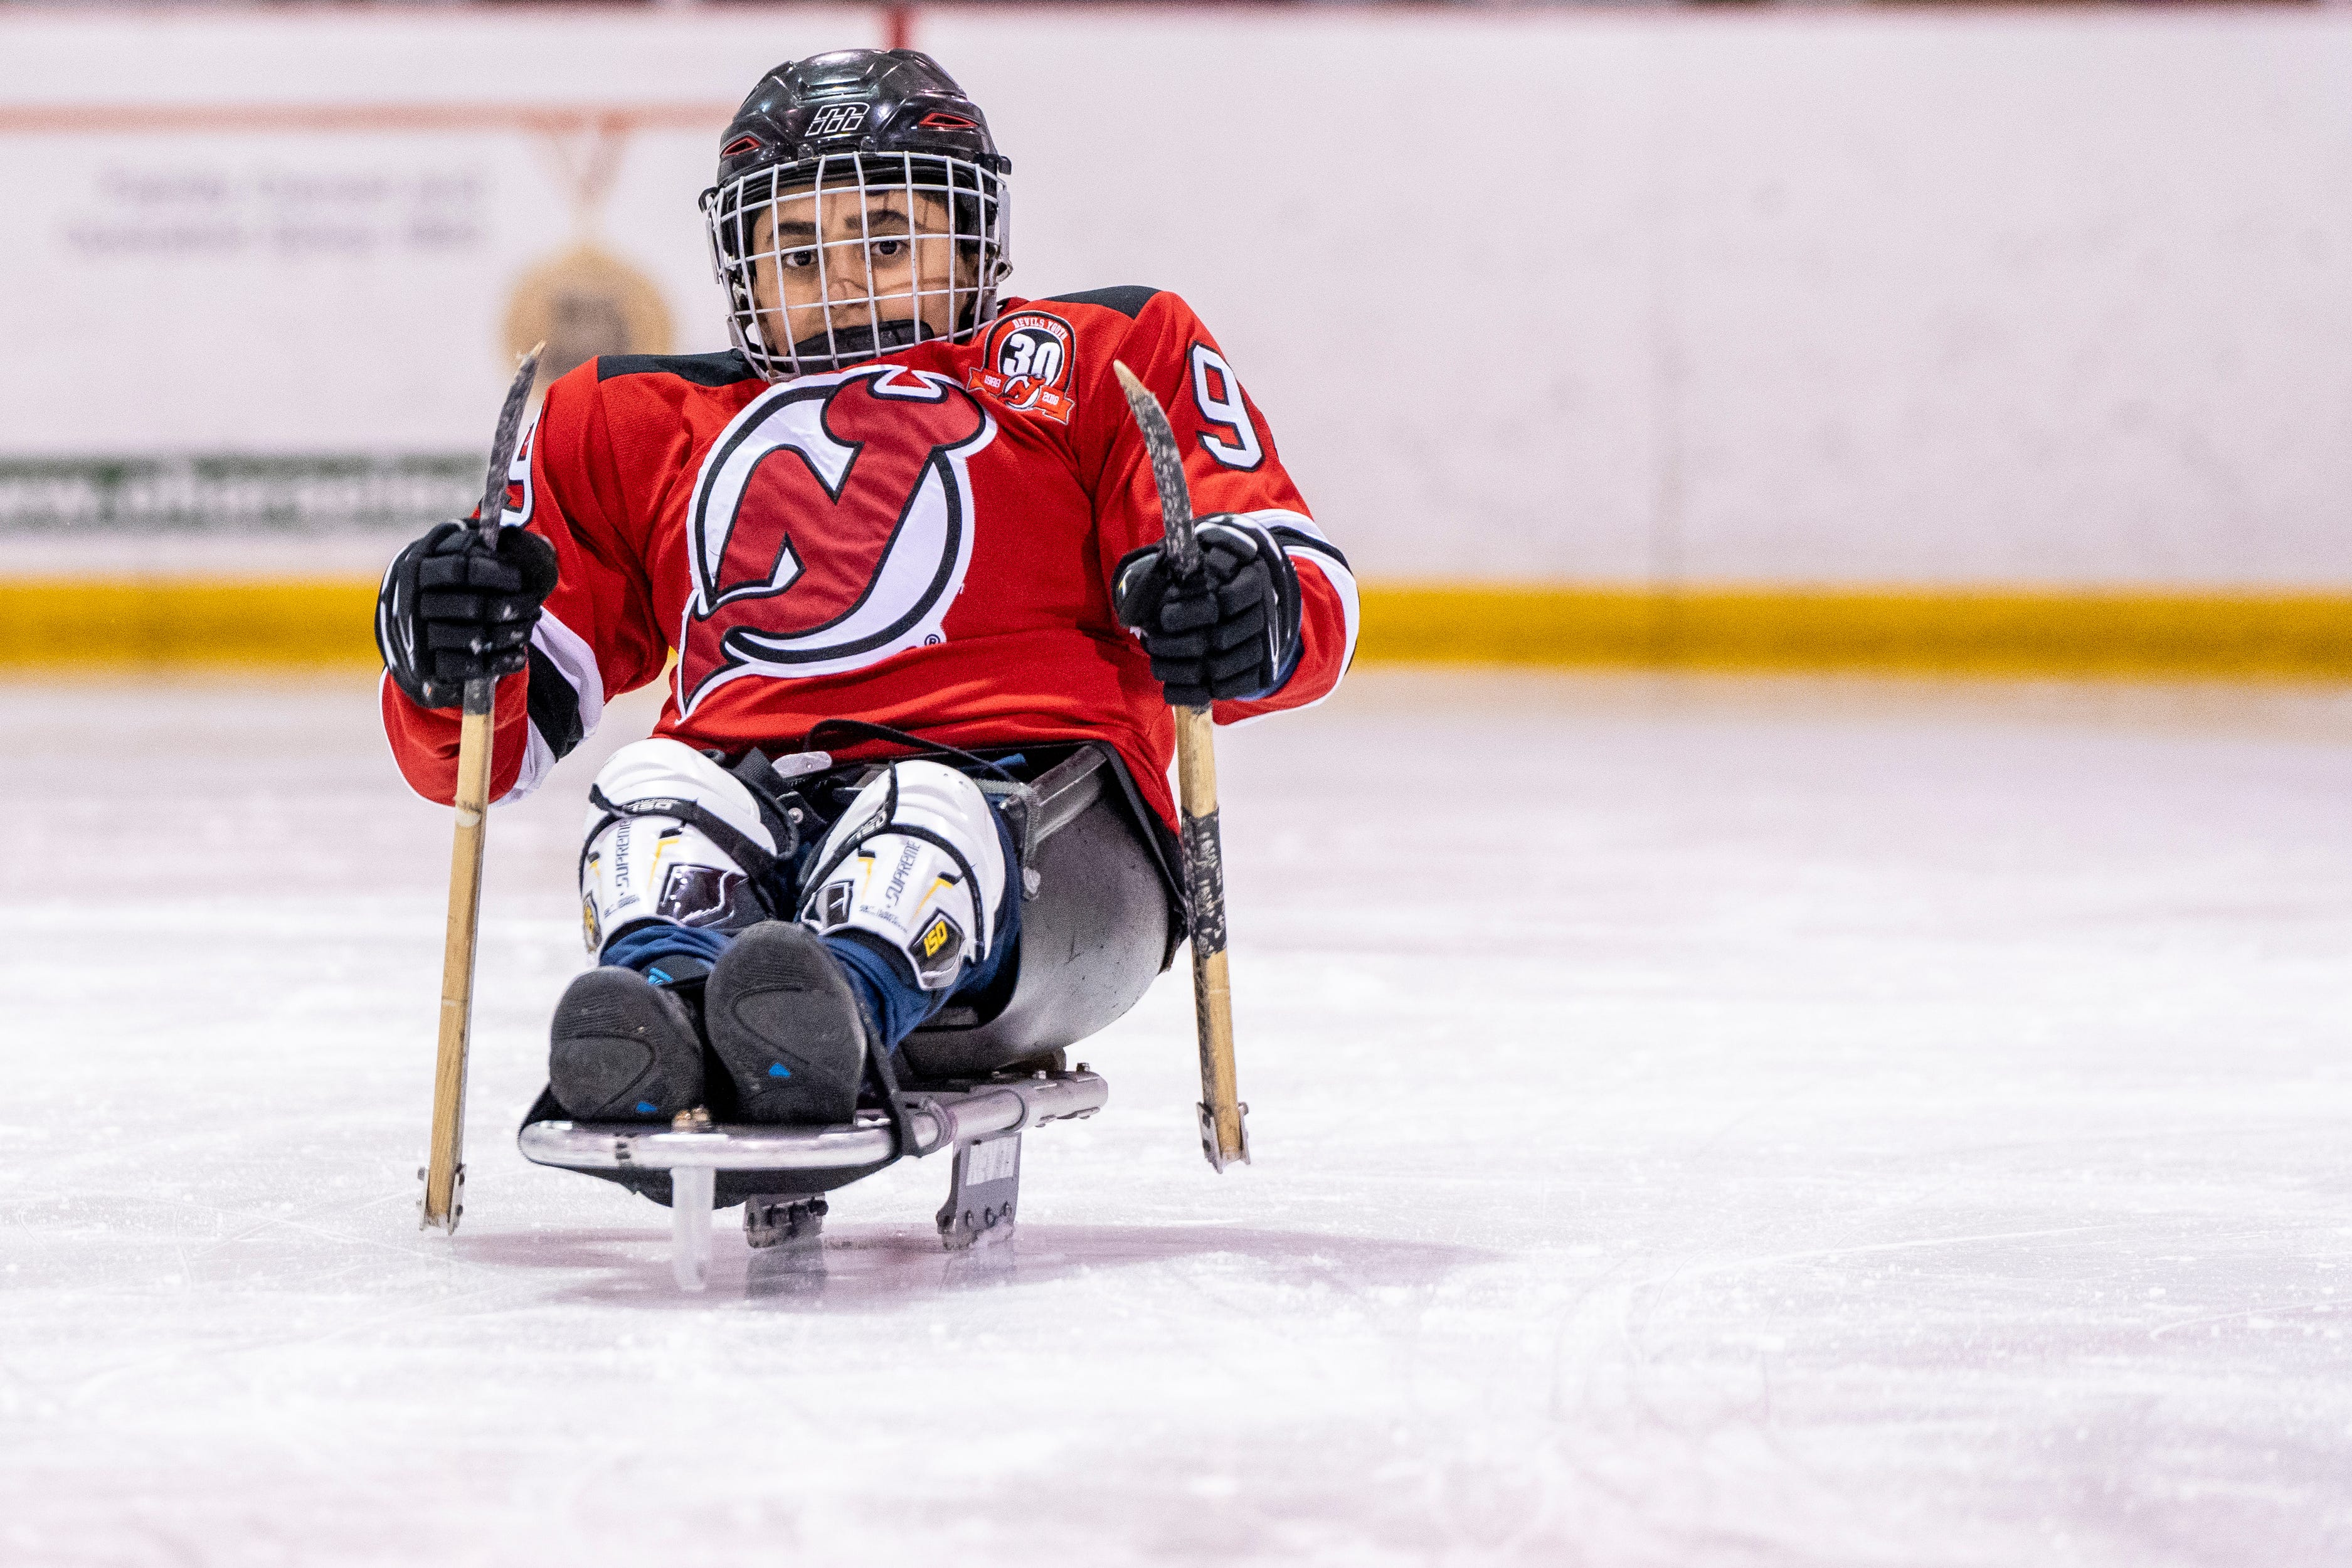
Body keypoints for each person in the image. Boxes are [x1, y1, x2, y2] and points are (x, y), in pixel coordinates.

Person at [374, 48, 1358, 1134]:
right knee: (654, 793)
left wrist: (1241, 607)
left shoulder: (1105, 355)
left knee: (924, 808)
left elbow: (1293, 576)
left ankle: (825, 1013)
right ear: (737, 264)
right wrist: (452, 649)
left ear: (971, 235)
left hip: (1055, 852)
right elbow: (483, 753)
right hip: (765, 830)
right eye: (793, 249)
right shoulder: (624, 421)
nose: (838, 281)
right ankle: (670, 1006)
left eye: (885, 239)